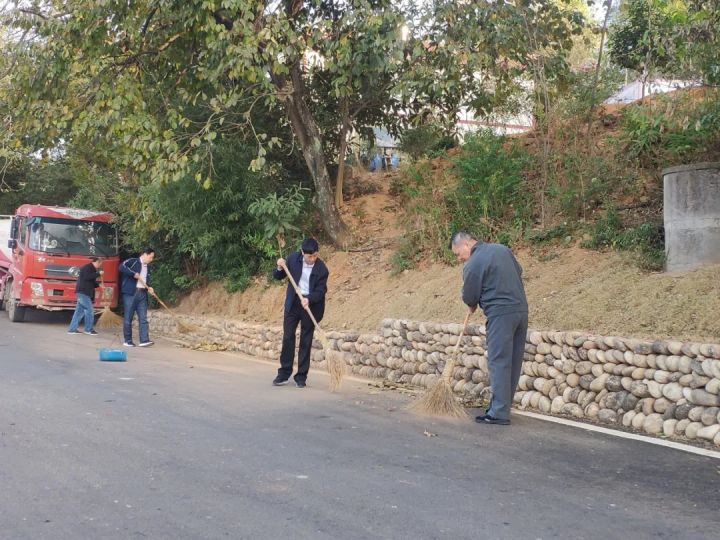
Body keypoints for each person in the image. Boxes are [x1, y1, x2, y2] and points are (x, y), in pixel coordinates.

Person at [449, 231, 528, 426]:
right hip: (521, 311)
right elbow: (518, 271)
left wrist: (472, 302)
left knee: (499, 361)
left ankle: (498, 413)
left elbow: (470, 295)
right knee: (513, 360)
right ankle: (503, 406)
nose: (459, 259)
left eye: (458, 254)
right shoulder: (502, 249)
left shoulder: (473, 263)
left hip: (500, 314)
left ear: (466, 245)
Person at [272, 238, 329, 388]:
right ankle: (284, 373)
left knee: (305, 340)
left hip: (311, 305)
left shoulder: (322, 269)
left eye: (315, 255)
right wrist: (279, 267)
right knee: (288, 337)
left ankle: (301, 376)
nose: (312, 259)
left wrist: (309, 299)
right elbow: (278, 276)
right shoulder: (292, 259)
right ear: (302, 253)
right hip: (293, 303)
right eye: (310, 256)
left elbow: (321, 291)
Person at [119, 248, 156, 347]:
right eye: (150, 257)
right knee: (128, 318)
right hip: (130, 293)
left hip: (142, 293)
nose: (151, 259)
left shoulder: (148, 268)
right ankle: (128, 341)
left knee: (143, 318)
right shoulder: (133, 261)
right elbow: (121, 267)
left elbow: (147, 281)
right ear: (145, 254)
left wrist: (150, 288)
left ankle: (144, 340)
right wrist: (133, 274)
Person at [67, 257, 103, 335]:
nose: (100, 265)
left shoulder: (91, 269)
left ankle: (72, 329)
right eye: (100, 264)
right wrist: (98, 274)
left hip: (83, 292)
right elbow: (87, 277)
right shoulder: (88, 267)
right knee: (90, 310)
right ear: (97, 262)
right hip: (83, 292)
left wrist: (99, 285)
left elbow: (91, 281)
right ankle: (88, 329)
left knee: (78, 312)